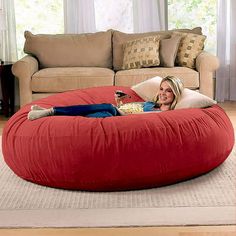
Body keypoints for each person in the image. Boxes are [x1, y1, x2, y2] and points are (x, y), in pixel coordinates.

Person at [27, 75, 184, 120]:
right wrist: (120, 102)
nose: (163, 93)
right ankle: (49, 115)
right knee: (101, 114)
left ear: (175, 93)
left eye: (168, 91)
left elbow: (138, 118)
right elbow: (130, 109)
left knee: (107, 108)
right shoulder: (151, 103)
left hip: (121, 118)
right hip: (115, 113)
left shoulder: (165, 114)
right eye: (161, 89)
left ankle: (50, 112)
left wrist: (118, 110)